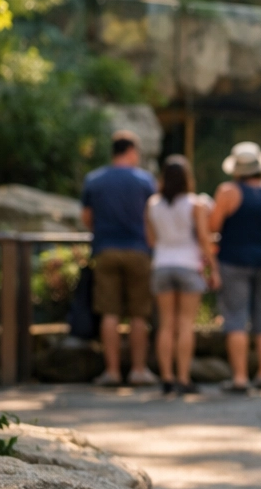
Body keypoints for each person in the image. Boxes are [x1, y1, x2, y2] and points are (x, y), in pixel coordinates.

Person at [81, 130, 158, 386]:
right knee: (139, 314)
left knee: (109, 312)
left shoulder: (94, 179)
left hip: (105, 250)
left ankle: (112, 371)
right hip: (139, 251)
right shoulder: (145, 180)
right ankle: (138, 370)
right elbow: (152, 217)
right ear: (131, 151)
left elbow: (87, 217)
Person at [210, 141, 261, 393]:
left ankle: (240, 378)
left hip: (233, 262)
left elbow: (213, 225)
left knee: (236, 319)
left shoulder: (227, 191)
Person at [146, 155, 219, 395]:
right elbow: (204, 239)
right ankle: (183, 378)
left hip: (161, 264)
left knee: (166, 324)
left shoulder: (152, 204)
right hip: (188, 265)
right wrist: (213, 268)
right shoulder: (195, 204)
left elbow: (151, 240)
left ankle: (166, 378)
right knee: (186, 324)